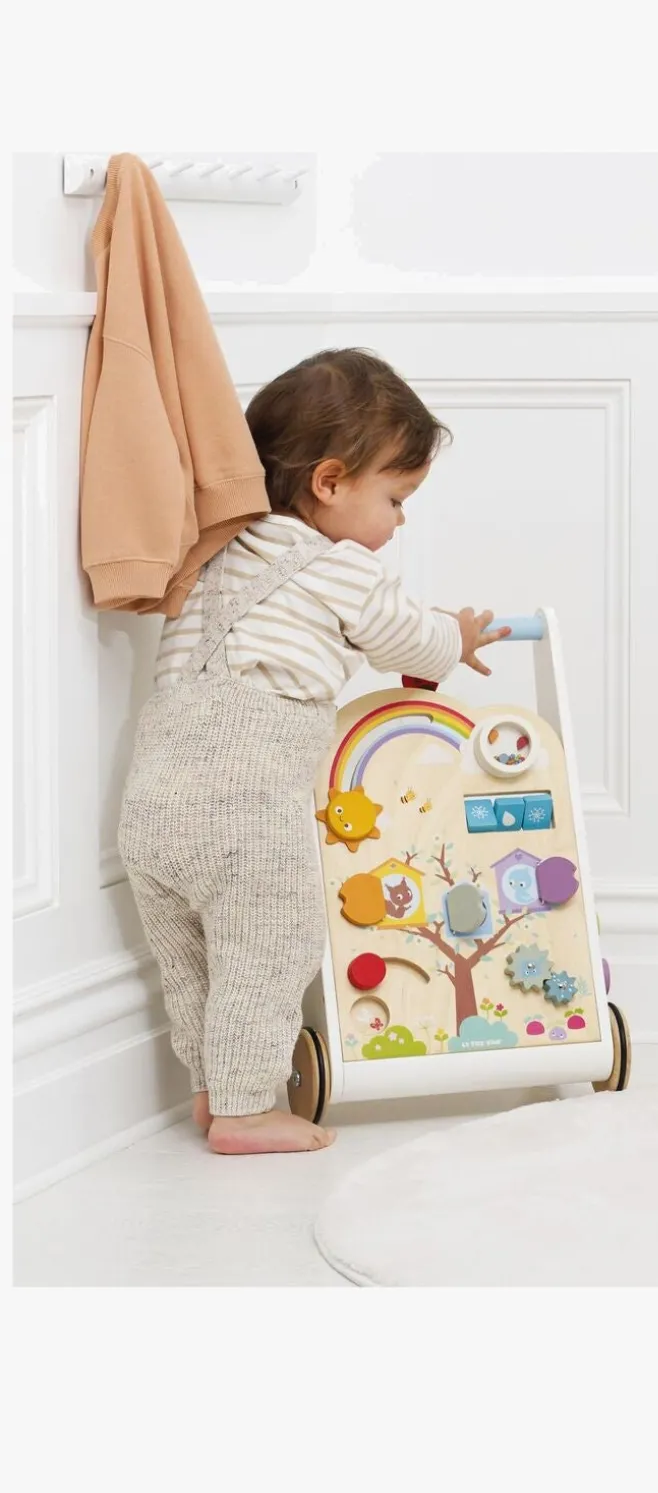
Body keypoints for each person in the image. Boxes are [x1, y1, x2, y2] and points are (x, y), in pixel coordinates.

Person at [118, 349, 508, 1154]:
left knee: (189, 962)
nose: (399, 523)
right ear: (329, 482)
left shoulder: (214, 552)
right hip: (246, 802)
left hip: (151, 806)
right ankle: (246, 1108)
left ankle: (210, 1089)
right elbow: (409, 638)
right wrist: (456, 635)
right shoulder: (339, 567)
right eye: (395, 500)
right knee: (266, 949)